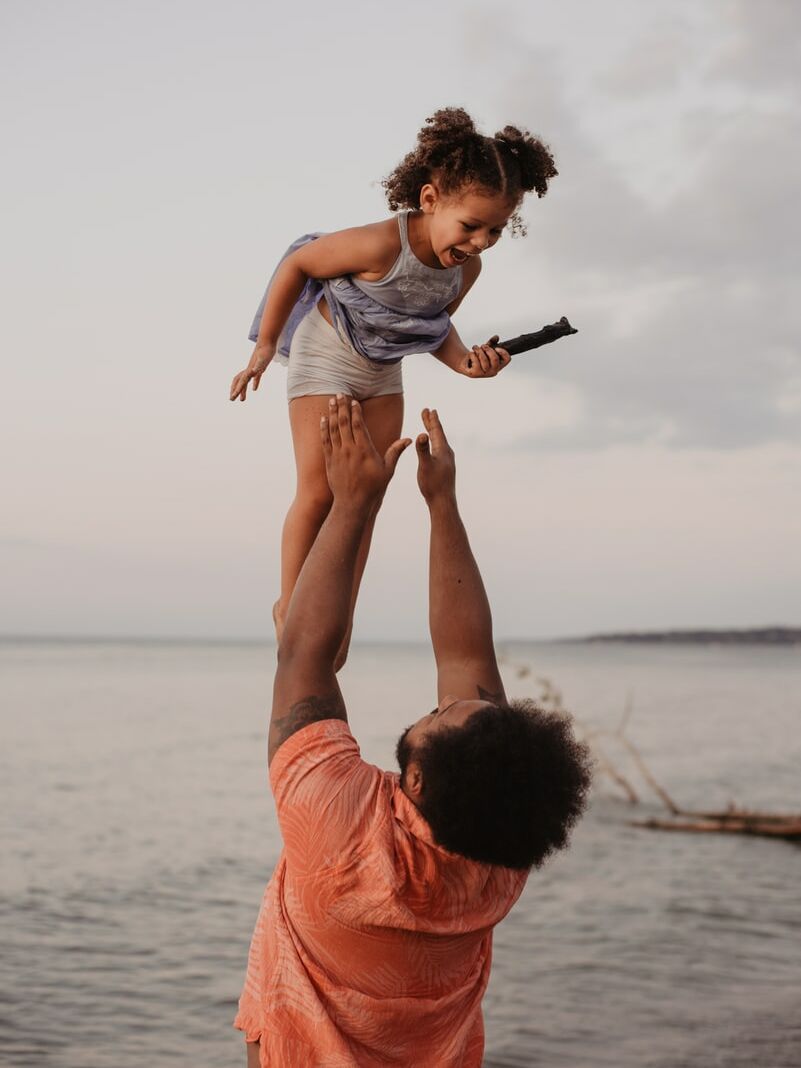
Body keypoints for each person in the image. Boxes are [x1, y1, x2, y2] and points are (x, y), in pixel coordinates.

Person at [234, 398, 592, 1068]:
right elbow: (465, 657)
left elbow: (302, 654)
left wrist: (354, 503)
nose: (441, 704)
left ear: (418, 779)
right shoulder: (498, 852)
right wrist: (441, 504)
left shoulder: (338, 831)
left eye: (439, 716)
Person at [228, 107, 558, 666]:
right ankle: (291, 605)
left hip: (383, 369)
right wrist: (264, 344)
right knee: (320, 487)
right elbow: (300, 263)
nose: (480, 241)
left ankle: (339, 614)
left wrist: (468, 364)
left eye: (496, 230)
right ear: (430, 200)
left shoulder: (464, 271)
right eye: (471, 225)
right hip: (327, 352)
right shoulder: (383, 244)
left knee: (367, 494)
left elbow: (432, 328)